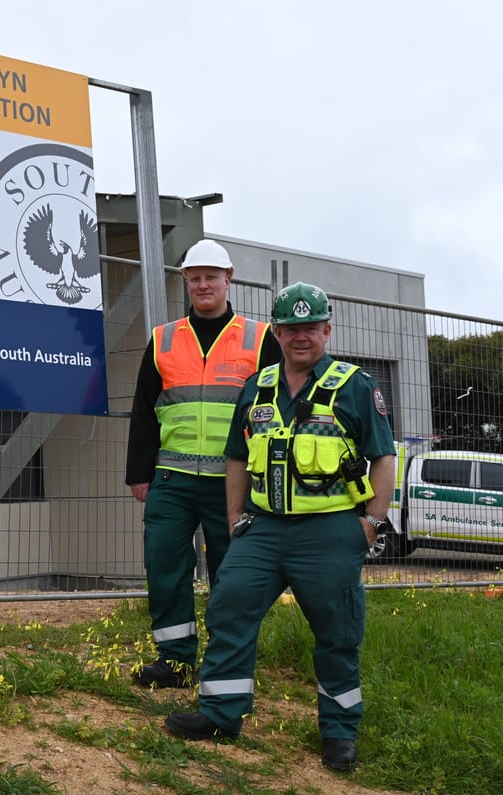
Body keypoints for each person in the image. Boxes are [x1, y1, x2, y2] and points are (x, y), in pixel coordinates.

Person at [163, 282, 396, 772]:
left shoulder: (355, 385)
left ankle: (338, 733)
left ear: (326, 330)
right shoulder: (259, 385)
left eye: (310, 328)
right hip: (264, 529)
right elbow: (235, 459)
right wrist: (233, 520)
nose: (300, 337)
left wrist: (371, 523)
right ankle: (220, 714)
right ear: (278, 333)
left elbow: (383, 457)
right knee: (229, 610)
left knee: (337, 632)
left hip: (331, 531)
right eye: (291, 329)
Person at [125, 239, 280, 688]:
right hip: (171, 480)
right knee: (165, 567)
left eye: (212, 276)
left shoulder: (260, 338)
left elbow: (275, 410)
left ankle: (225, 662)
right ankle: (174, 662)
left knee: (231, 575)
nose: (203, 285)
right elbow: (144, 410)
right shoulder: (163, 339)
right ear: (185, 283)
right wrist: (139, 473)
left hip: (232, 483)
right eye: (195, 278)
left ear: (228, 280)